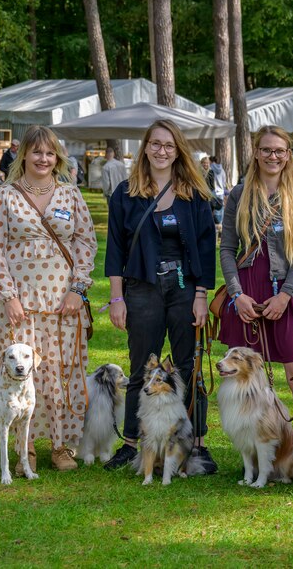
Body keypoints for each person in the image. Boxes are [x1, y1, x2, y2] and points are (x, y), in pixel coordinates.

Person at [103, 119, 218, 474]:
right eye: (155, 144)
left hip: (184, 289)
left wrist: (201, 295)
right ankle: (131, 443)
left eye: (169, 145)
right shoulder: (126, 193)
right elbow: (115, 248)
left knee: (189, 367)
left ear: (178, 149)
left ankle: (194, 443)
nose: (162, 151)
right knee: (141, 367)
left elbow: (204, 247)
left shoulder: (194, 194)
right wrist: (117, 298)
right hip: (142, 288)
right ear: (145, 148)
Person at [0, 125, 98, 472]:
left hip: (63, 302)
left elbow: (85, 243)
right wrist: (8, 296)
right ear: (24, 156)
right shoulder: (4, 196)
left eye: (49, 153)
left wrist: (78, 289)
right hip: (18, 303)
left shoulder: (71, 196)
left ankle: (60, 446)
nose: (43, 158)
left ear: (57, 157)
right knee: (20, 374)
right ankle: (24, 449)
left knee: (60, 371)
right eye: (36, 152)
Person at [218, 125, 293, 400]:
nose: (273, 156)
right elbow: (226, 249)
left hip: (286, 291)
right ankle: (257, 444)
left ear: (288, 155)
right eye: (267, 150)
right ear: (256, 154)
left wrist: (286, 295)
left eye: (280, 151)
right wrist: (237, 296)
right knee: (246, 388)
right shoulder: (239, 194)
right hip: (247, 289)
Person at [208, 155, 228, 224]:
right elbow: (224, 182)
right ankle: (220, 226)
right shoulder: (222, 170)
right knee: (220, 210)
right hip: (221, 192)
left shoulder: (210, 169)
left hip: (213, 192)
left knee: (212, 210)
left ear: (211, 161)